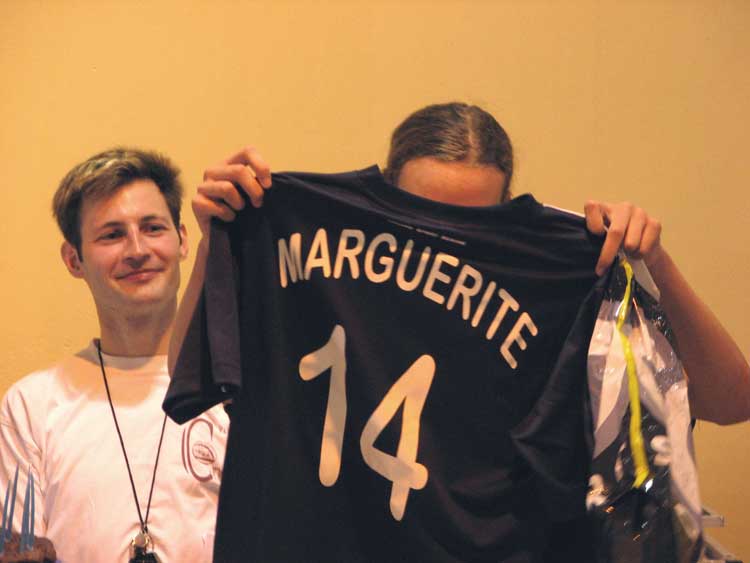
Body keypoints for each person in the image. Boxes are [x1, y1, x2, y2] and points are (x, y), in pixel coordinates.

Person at [168, 102, 750, 562]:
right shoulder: (293, 229)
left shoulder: (558, 268)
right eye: (416, 216)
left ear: (507, 208)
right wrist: (219, 238)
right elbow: (187, 370)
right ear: (385, 188)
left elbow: (731, 398)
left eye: (471, 226)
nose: (438, 240)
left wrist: (651, 264)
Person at [0, 148, 228, 562]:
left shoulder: (233, 393)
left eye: (153, 228)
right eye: (112, 235)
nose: (137, 249)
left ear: (183, 240)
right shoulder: (30, 408)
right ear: (74, 260)